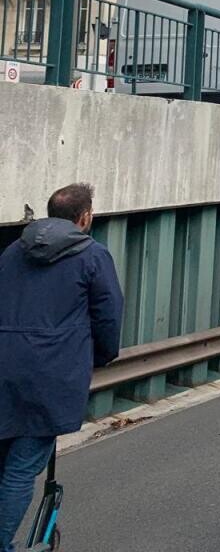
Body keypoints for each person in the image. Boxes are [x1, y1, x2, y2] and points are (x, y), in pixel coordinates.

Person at [0, 183, 123, 552]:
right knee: (22, 468)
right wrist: (99, 358)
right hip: (50, 378)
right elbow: (108, 317)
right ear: (85, 217)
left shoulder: (11, 252)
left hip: (4, 369)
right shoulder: (93, 256)